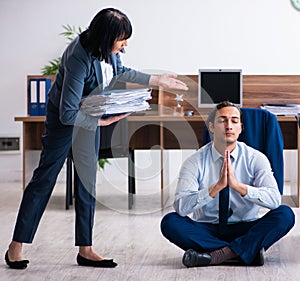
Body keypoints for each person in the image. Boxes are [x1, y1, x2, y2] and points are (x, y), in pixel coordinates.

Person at [5, 7, 188, 270]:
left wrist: (157, 80)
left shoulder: (109, 50)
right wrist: (100, 122)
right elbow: (68, 113)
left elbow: (121, 72)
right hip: (65, 122)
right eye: (121, 39)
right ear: (105, 37)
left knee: (86, 181)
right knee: (44, 180)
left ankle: (86, 249)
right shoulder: (78, 57)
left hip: (89, 115)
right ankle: (15, 247)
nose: (125, 44)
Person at [160, 101, 295, 267]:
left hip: (245, 227)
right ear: (211, 127)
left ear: (241, 128)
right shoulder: (194, 161)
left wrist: (239, 187)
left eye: (234, 121)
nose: (228, 126)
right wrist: (215, 188)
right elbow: (181, 207)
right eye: (222, 120)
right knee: (170, 222)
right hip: (207, 228)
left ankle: (214, 255)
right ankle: (243, 252)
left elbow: (274, 200)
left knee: (285, 214)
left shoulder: (256, 159)